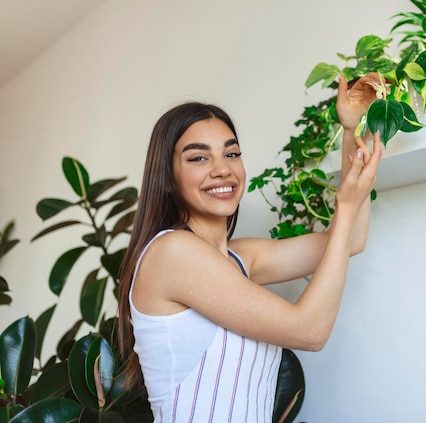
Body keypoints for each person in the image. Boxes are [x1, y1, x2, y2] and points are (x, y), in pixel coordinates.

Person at [117, 73, 382, 422]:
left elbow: (350, 242)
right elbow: (309, 331)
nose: (221, 169)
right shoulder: (172, 252)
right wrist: (345, 207)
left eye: (231, 153)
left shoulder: (240, 259)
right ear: (167, 178)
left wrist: (350, 129)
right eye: (198, 158)